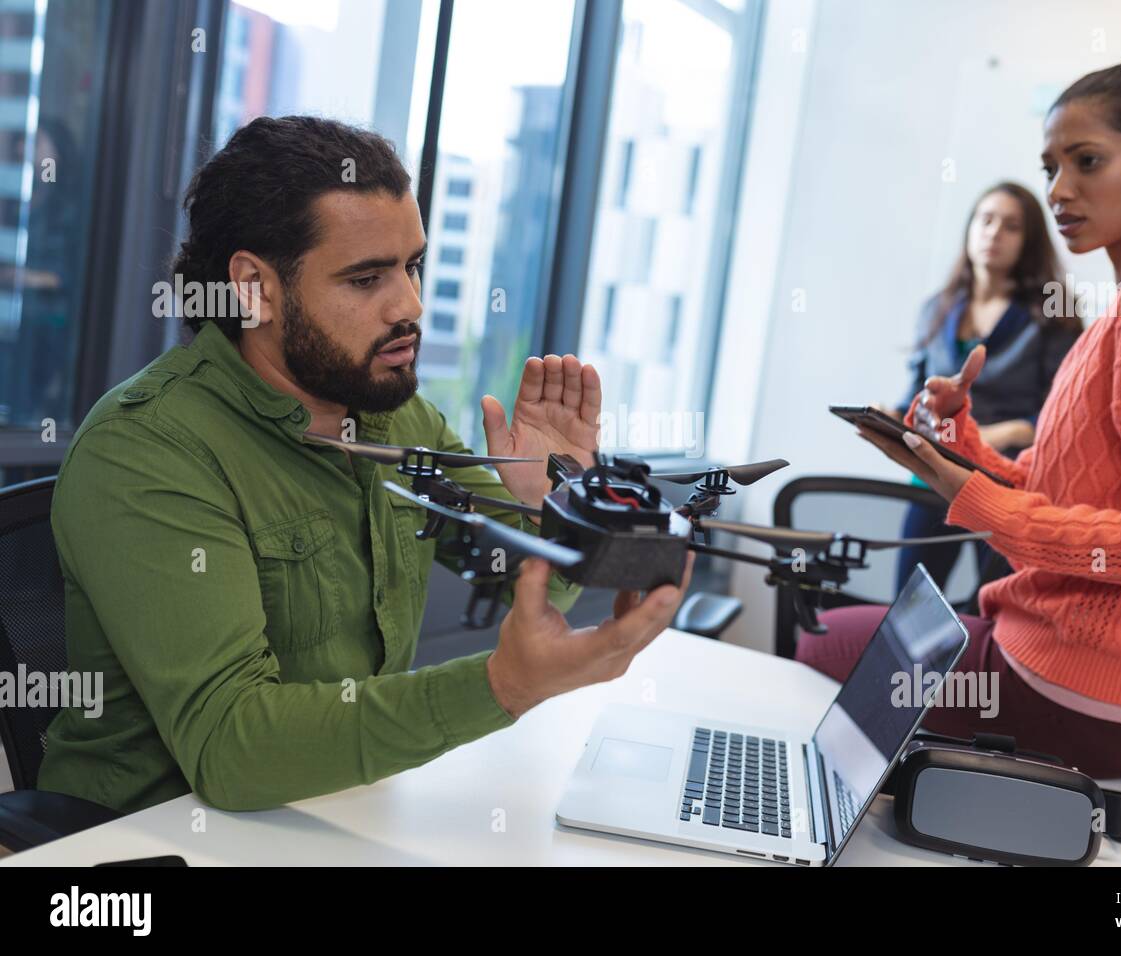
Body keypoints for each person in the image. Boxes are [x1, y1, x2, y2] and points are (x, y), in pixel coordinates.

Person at [38, 116, 692, 814]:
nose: (409, 306)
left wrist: (554, 505)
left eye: (411, 265)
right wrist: (501, 685)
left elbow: (523, 591)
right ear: (253, 287)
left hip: (341, 811)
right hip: (145, 842)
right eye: (365, 278)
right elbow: (230, 749)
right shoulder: (146, 450)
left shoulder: (395, 417)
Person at [799, 34, 1121, 780]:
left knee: (819, 639)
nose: (1057, 192)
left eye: (1088, 161)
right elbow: (1075, 498)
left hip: (1081, 690)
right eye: (1051, 168)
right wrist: (959, 449)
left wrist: (981, 503)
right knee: (879, 635)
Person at [886, 182, 1080, 596]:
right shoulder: (936, 309)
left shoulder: (1052, 313)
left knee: (996, 606)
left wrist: (1000, 434)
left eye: (1011, 226)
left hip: (1004, 485)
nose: (994, 233)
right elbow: (913, 401)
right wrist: (888, 419)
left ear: (1028, 242)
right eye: (986, 219)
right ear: (970, 228)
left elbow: (1061, 421)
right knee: (908, 602)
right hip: (932, 476)